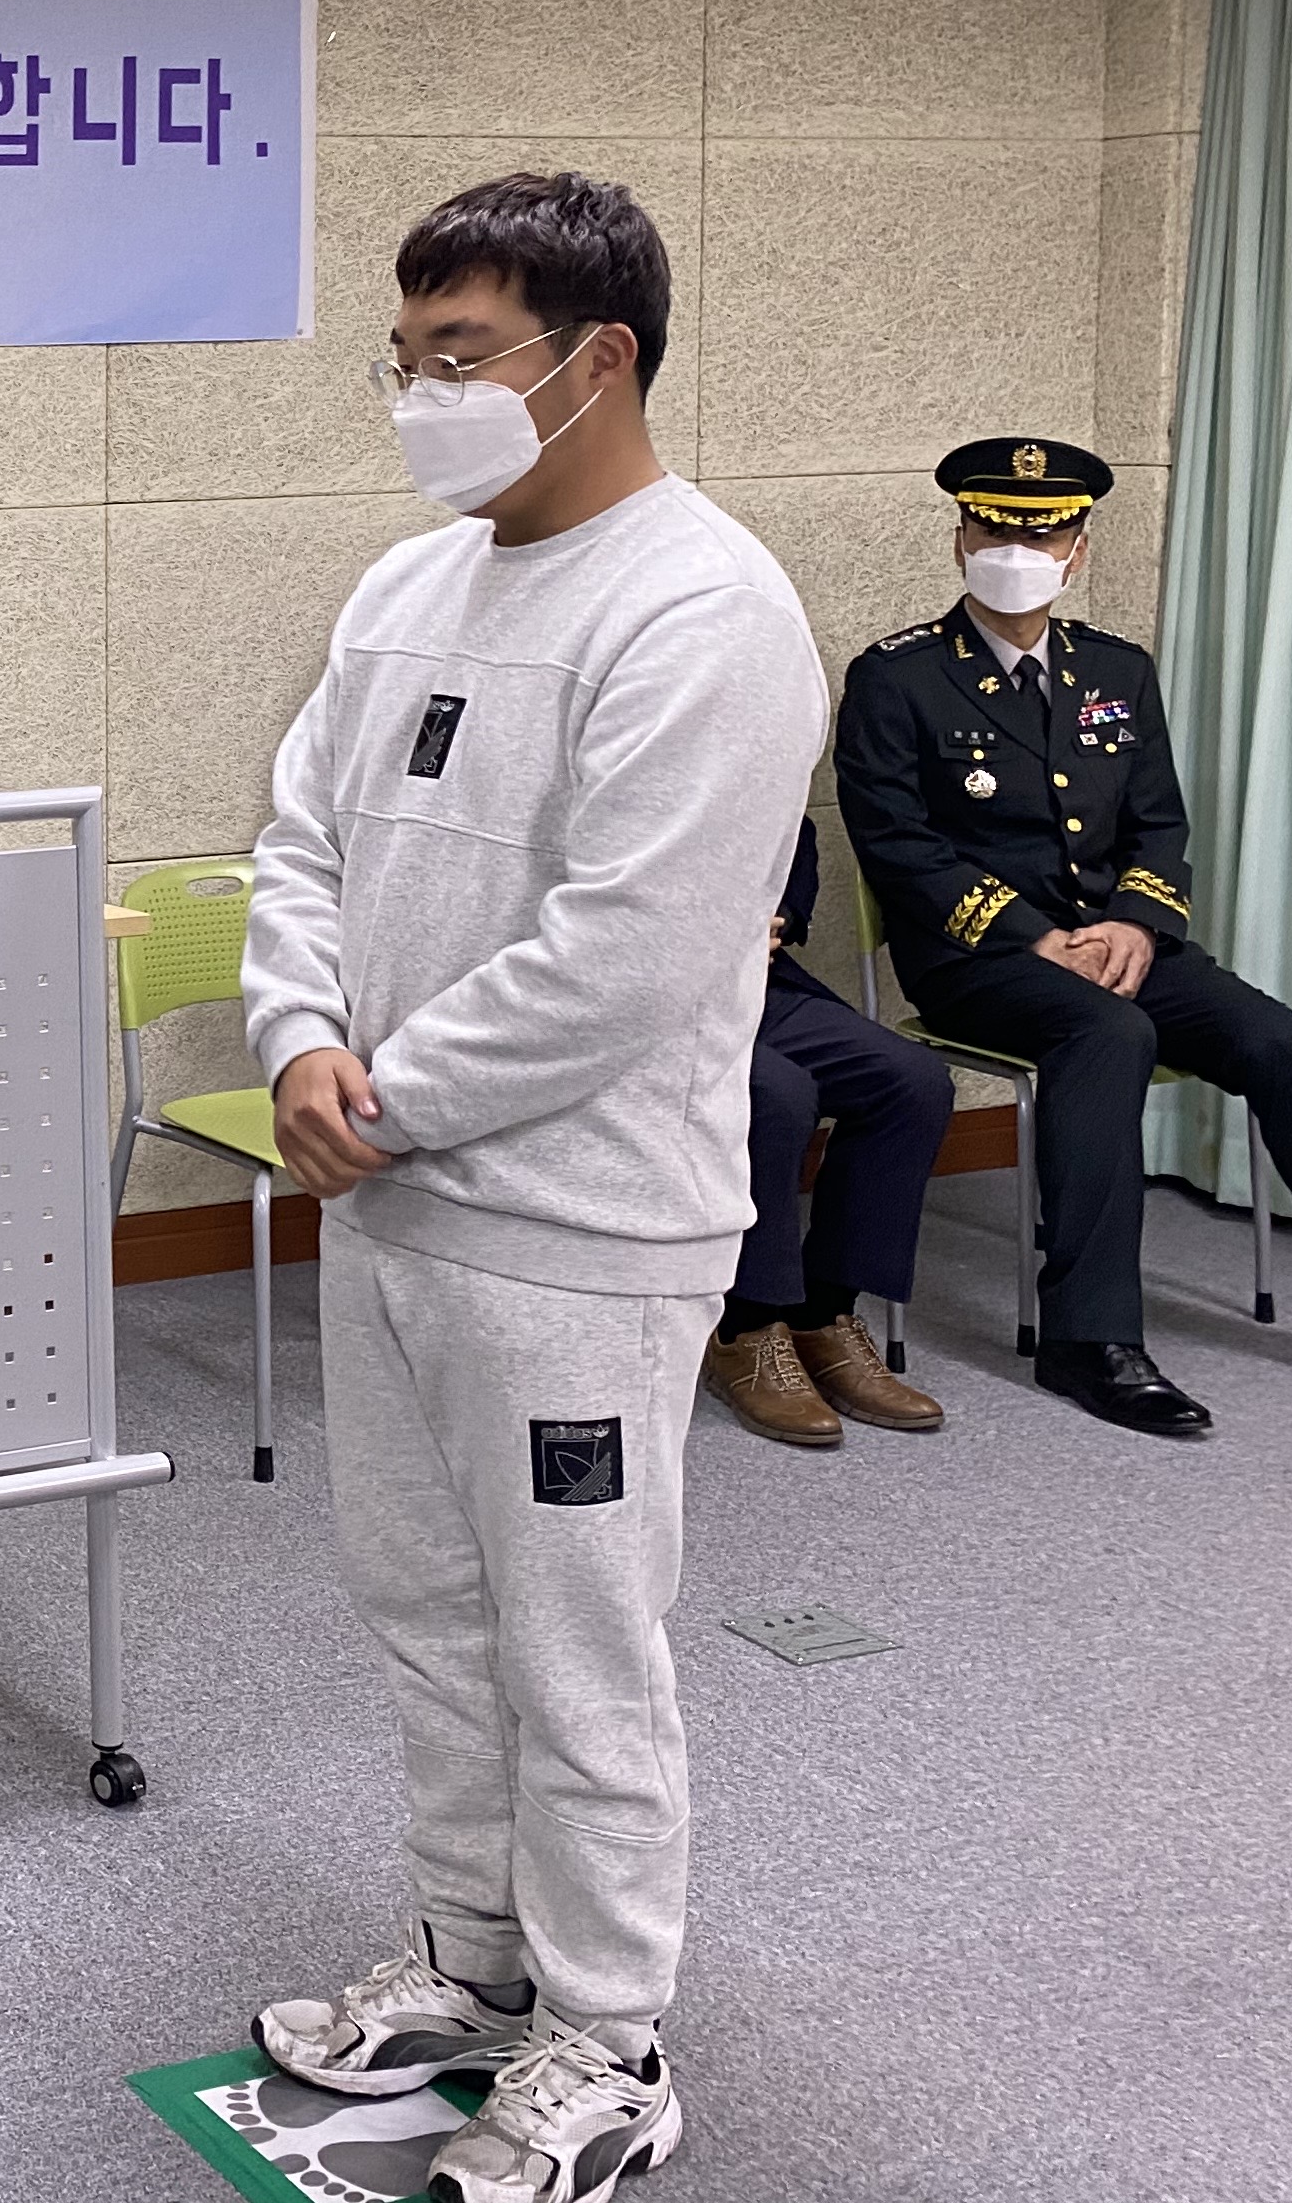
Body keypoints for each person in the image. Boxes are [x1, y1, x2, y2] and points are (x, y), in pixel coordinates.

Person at [243, 173, 826, 2203]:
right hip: (389, 1199)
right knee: (425, 1610)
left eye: (461, 354)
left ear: (600, 360)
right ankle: (471, 1951)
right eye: (405, 357)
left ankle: (607, 2030)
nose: (423, 394)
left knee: (579, 1642)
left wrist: (386, 1093)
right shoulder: (406, 588)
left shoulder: (703, 608)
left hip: (577, 1233)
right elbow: (297, 843)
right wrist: (295, 1040)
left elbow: (633, 948)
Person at [832, 437, 1292, 1437]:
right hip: (981, 960)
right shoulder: (897, 676)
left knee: (1281, 1043)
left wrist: (1136, 921)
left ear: (1077, 550)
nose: (1018, 550)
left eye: (1044, 535)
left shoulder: (1115, 669)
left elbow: (1159, 824)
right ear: (960, 537)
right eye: (996, 528)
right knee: (1107, 1034)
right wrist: (1038, 937)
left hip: (1124, 944)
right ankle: (1088, 1342)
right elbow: (896, 843)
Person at [699, 816, 956, 1448]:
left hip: (758, 982)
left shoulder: (743, 754)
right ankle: (744, 1330)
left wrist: (775, 917)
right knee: (778, 1095)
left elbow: (793, 823)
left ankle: (822, 1315)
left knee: (911, 1082)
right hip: (647, 986)